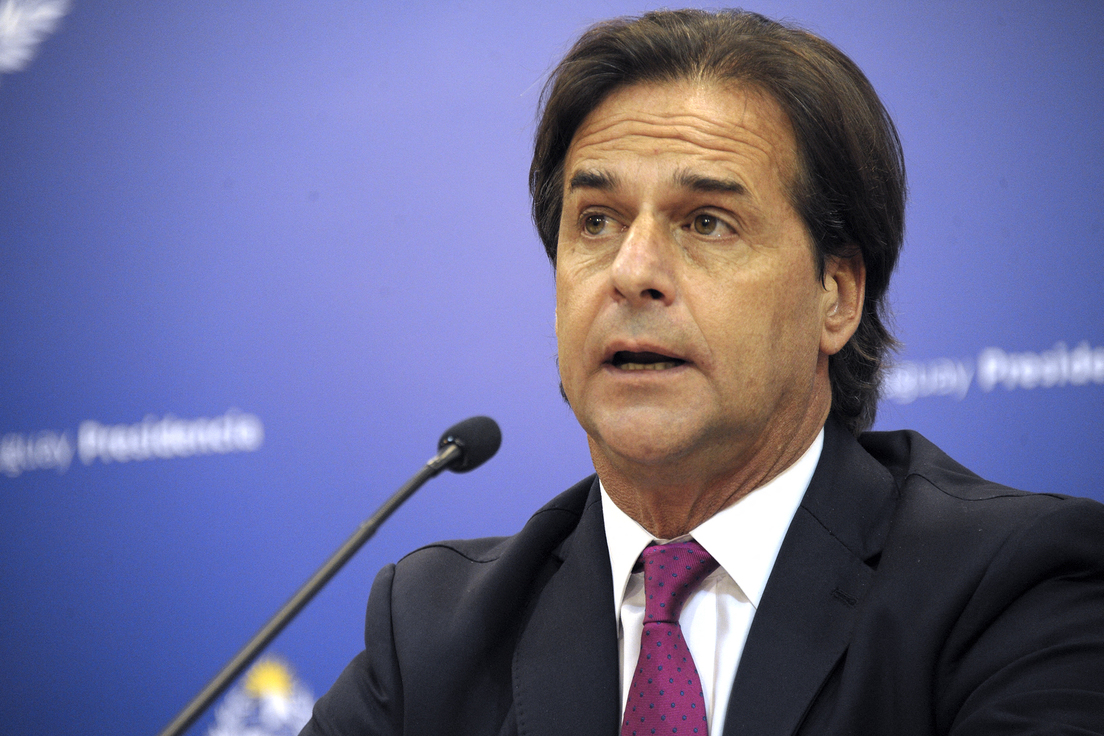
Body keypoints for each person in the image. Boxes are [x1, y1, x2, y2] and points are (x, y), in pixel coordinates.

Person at [302, 9, 1104, 735]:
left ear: (836, 295)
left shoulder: (1011, 587)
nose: (632, 271)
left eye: (708, 223)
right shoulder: (431, 631)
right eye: (597, 221)